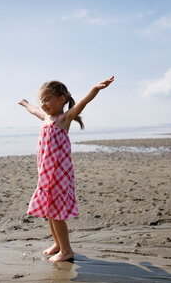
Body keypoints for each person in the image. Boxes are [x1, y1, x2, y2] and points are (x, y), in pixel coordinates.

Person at [18, 76, 114, 262]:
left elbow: (84, 102)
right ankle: (58, 244)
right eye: (42, 100)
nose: (44, 104)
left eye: (47, 99)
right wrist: (25, 104)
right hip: (45, 174)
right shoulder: (46, 118)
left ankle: (67, 250)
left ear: (62, 99)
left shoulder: (64, 119)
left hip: (58, 175)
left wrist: (96, 87)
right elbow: (33, 110)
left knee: (55, 212)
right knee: (48, 210)